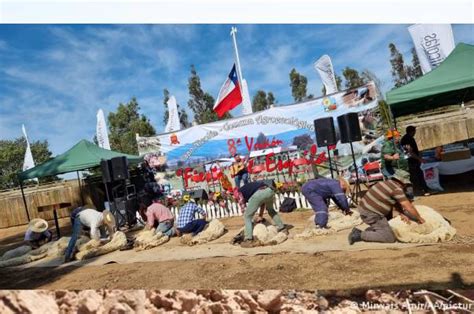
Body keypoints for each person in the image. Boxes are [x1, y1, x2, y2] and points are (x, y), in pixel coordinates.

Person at [348, 169, 425, 245]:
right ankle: (359, 235)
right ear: (402, 182)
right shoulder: (396, 189)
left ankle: (378, 229)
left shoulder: (385, 183)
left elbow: (395, 202)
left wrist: (402, 213)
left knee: (390, 226)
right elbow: (409, 207)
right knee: (389, 237)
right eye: (406, 184)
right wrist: (419, 219)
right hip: (371, 214)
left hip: (365, 209)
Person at [234, 180, 286, 248]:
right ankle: (282, 228)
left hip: (259, 193)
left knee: (247, 216)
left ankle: (248, 240)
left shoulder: (238, 193)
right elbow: (262, 203)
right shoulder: (246, 189)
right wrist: (260, 216)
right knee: (271, 210)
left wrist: (250, 220)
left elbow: (243, 207)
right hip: (269, 190)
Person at [401, 125, 432, 196]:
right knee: (416, 177)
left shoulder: (408, 138)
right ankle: (421, 191)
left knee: (417, 176)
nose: (415, 132)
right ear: (412, 131)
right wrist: (419, 159)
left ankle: (422, 190)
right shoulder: (407, 139)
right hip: (411, 161)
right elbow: (409, 152)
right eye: (414, 131)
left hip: (413, 160)